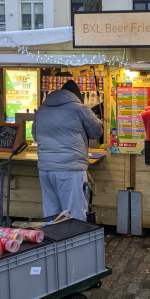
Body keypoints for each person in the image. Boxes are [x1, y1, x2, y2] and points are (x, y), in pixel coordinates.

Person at [33, 80, 103, 221]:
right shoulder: (80, 109)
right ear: (76, 95)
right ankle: (75, 243)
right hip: (71, 169)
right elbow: (96, 132)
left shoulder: (42, 109)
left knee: (51, 213)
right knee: (74, 213)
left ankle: (54, 241)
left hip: (46, 169)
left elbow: (35, 135)